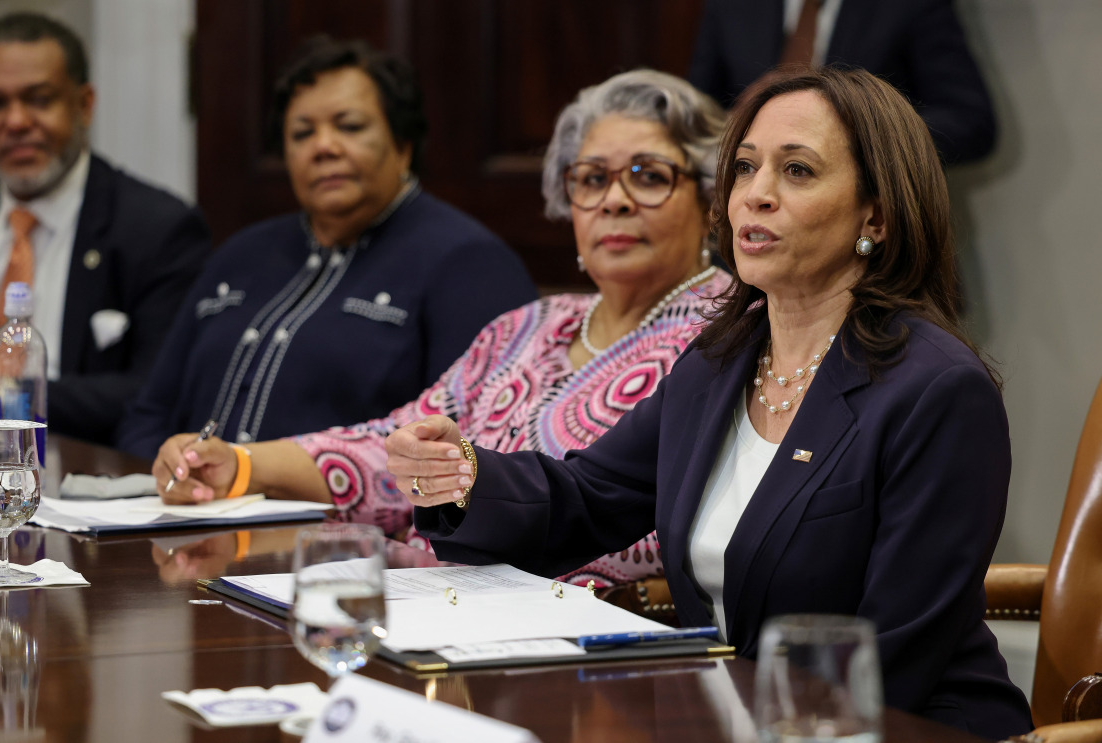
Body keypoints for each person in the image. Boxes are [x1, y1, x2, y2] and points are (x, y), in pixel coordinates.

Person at [385, 67, 1032, 737]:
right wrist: (463, 476)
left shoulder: (936, 391)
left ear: (877, 213)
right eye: (746, 168)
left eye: (799, 172)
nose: (756, 195)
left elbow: (888, 656)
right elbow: (586, 498)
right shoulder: (720, 361)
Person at [151, 69, 732, 589]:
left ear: (710, 198)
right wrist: (242, 465)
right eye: (591, 178)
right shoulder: (531, 325)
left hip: (582, 641)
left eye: (648, 176)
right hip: (437, 610)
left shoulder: (730, 331)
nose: (615, 200)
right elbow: (399, 450)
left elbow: (686, 521)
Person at [118, 35, 536, 458]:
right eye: (302, 133)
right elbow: (150, 413)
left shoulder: (469, 264)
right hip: (176, 513)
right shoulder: (241, 254)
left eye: (350, 126)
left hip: (344, 521)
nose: (323, 147)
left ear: (403, 145)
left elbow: (469, 447)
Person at [0, 12, 210, 444]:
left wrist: (1, 394)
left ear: (84, 104)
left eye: (39, 99)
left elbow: (160, 389)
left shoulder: (157, 228)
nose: (15, 122)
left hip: (78, 472)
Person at [688, 0, 997, 165]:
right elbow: (694, 118)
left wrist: (856, 130)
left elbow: (971, 122)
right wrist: (738, 120)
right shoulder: (730, 5)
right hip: (753, 232)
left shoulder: (910, 5)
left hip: (877, 243)